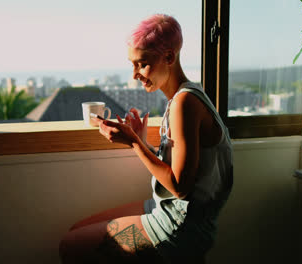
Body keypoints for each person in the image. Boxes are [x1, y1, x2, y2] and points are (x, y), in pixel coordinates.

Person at [59, 14, 233, 264]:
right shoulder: (187, 96)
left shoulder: (185, 103)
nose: (135, 74)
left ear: (169, 57)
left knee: (71, 247)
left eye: (141, 64)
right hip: (166, 210)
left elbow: (180, 187)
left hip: (177, 228)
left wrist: (134, 143)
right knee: (77, 230)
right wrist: (143, 141)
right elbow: (185, 170)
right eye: (132, 64)